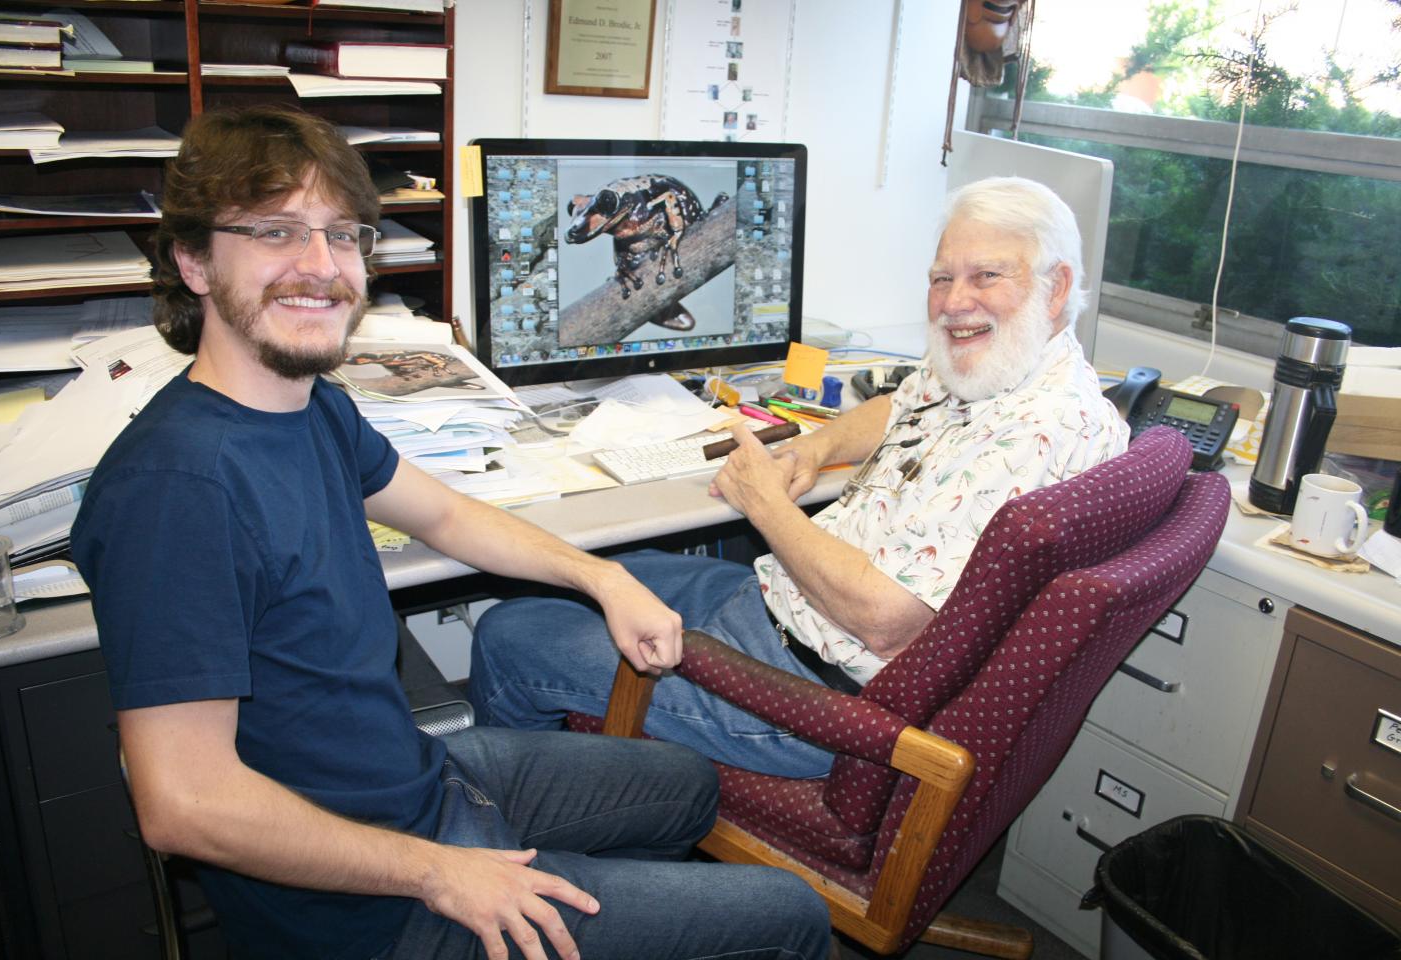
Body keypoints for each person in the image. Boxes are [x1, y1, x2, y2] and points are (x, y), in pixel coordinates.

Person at [70, 105, 831, 960]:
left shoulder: (309, 404)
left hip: (419, 784)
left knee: (686, 786)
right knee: (790, 916)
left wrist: (604, 579)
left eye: (344, 236)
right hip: (368, 907)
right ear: (195, 261)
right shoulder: (177, 489)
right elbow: (184, 804)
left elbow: (445, 513)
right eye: (277, 233)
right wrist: (441, 875)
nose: (321, 269)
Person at [470, 176, 1129, 780]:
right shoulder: (1011, 369)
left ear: (1058, 285)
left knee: (512, 634)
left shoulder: (1034, 432)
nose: (956, 301)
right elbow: (900, 402)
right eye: (942, 278)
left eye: (987, 276)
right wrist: (812, 450)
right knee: (583, 579)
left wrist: (763, 501)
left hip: (809, 694)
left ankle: (533, 835)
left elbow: (884, 622)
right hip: (781, 610)